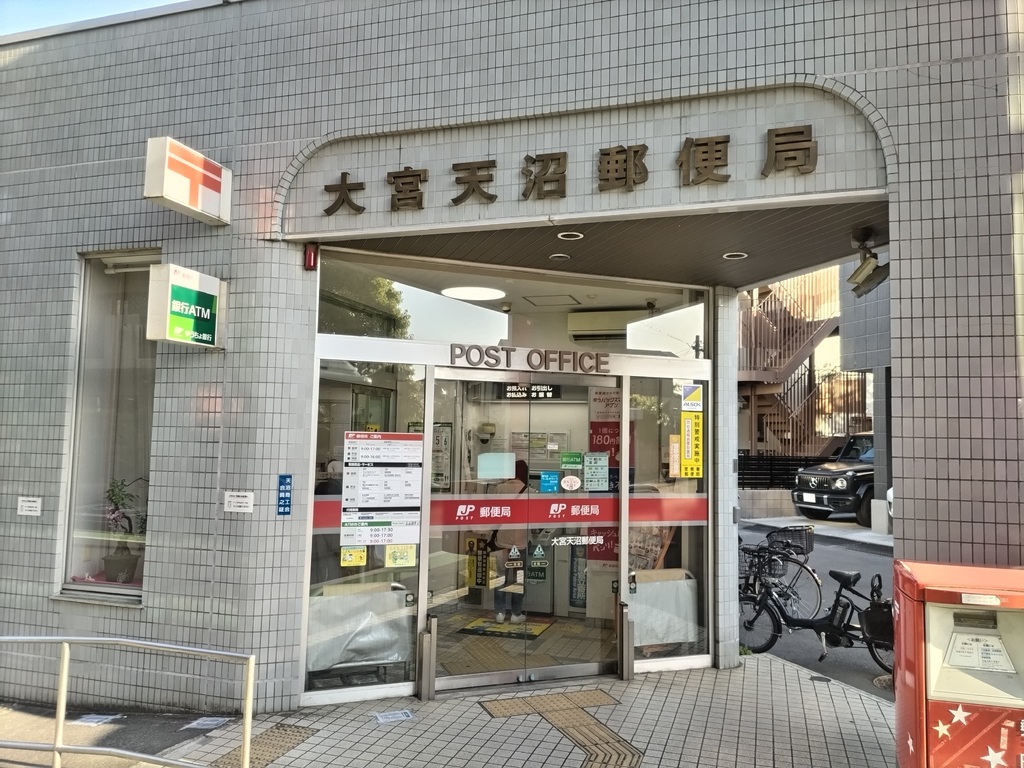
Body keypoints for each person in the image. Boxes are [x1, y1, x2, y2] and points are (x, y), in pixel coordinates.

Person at [488, 459, 529, 624]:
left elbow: (491, 513)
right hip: (520, 542)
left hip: (501, 541)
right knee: (519, 578)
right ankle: (516, 614)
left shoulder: (499, 489)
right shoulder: (529, 491)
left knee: (500, 578)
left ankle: (499, 613)